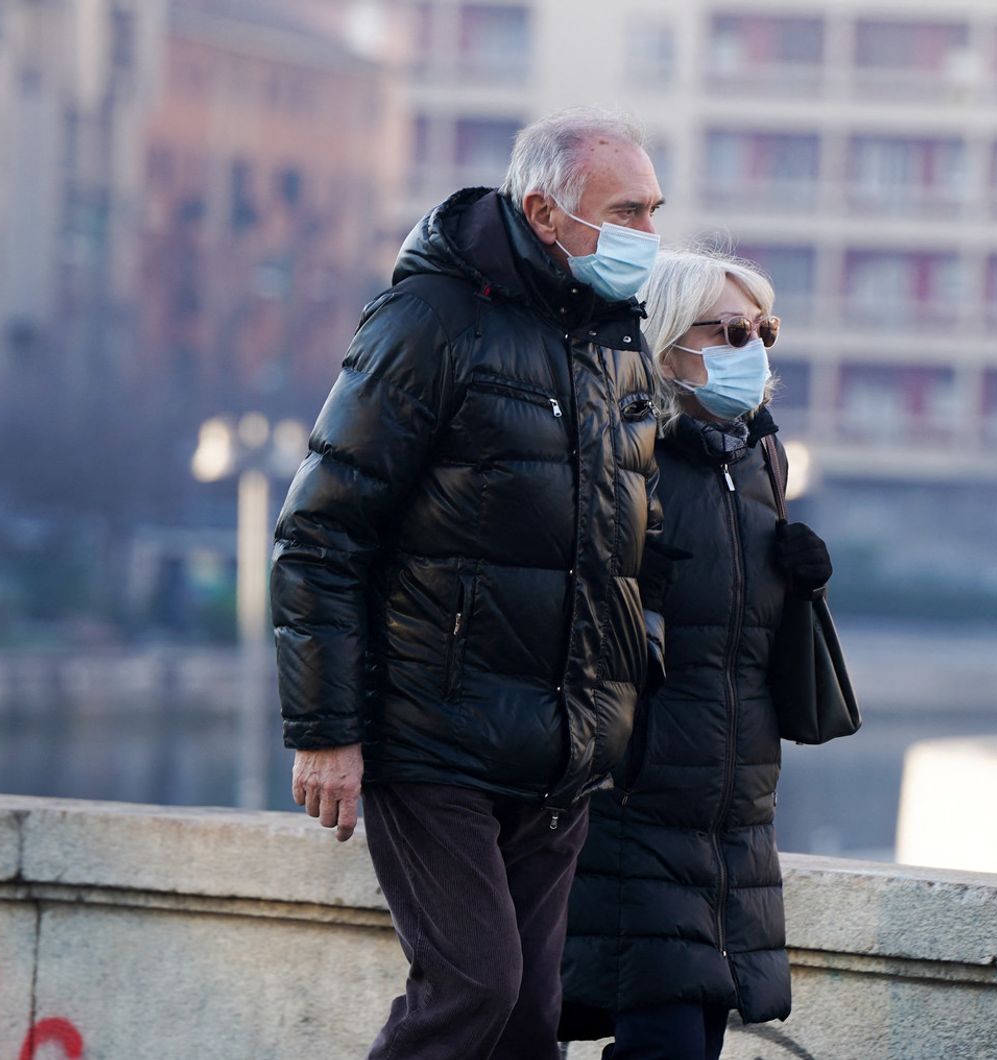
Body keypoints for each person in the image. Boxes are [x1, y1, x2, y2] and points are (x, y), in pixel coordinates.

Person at [269, 107, 670, 1060]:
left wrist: (622, 700)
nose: (649, 237)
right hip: (435, 735)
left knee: (532, 1019)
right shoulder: (430, 320)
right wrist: (325, 733)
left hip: (562, 749)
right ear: (543, 212)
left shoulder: (616, 342)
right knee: (473, 987)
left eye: (655, 210)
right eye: (627, 211)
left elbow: (628, 551)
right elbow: (320, 533)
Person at [560, 249, 834, 1060]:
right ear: (669, 338)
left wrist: (805, 589)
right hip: (631, 809)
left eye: (763, 332)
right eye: (731, 330)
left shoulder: (758, 461)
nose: (752, 350)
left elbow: (745, 645)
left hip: (732, 820)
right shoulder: (618, 455)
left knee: (693, 1040)